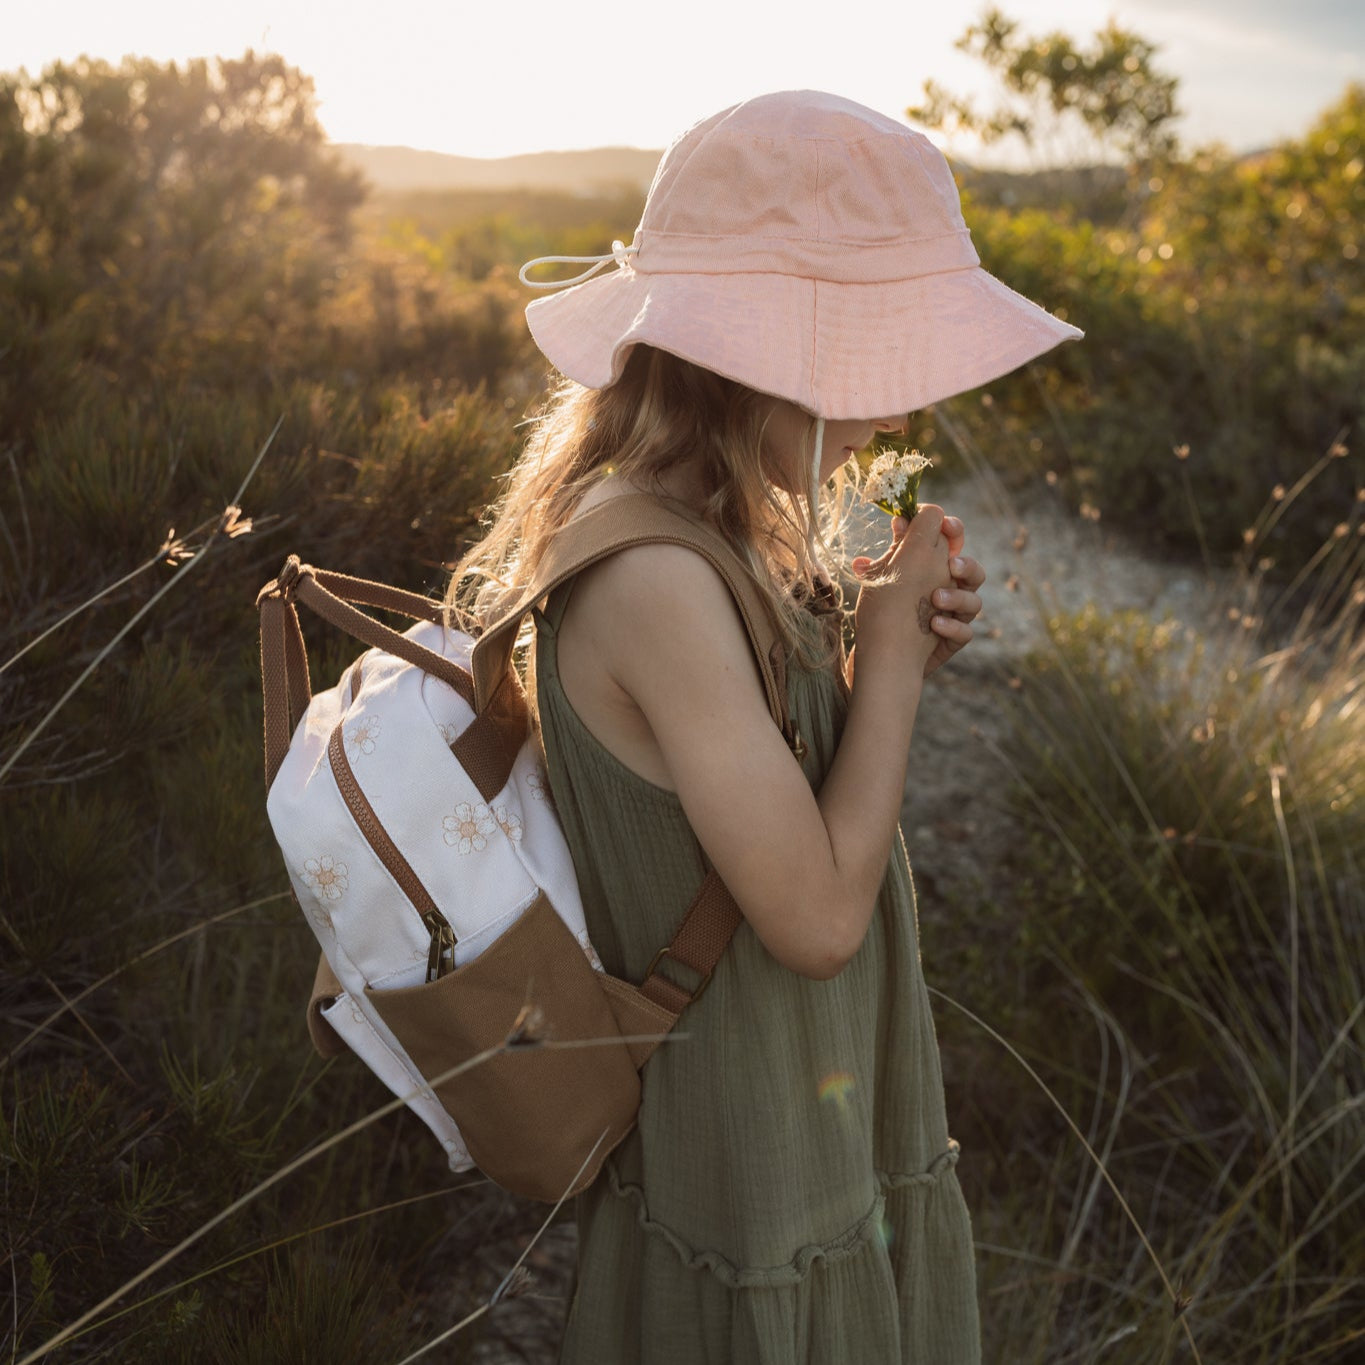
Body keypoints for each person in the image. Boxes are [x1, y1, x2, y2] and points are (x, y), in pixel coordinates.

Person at [449, 90, 1081, 1365]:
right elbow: (815, 918)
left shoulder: (713, 529)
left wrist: (867, 643)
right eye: (873, 360)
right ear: (765, 361)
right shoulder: (659, 577)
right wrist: (892, 661)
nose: (893, 417)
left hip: (796, 1087)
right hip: (749, 1124)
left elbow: (768, 787)